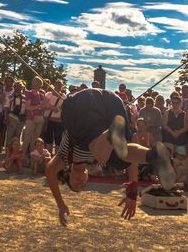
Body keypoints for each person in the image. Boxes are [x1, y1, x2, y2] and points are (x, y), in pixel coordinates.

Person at [44, 88, 175, 226]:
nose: (80, 182)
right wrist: (132, 189)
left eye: (75, 184)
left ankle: (111, 132)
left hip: (79, 106)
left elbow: (50, 171)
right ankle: (153, 155)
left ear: (67, 174)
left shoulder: (66, 157)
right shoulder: (99, 157)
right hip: (112, 102)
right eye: (83, 185)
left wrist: (60, 204)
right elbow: (131, 161)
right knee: (119, 158)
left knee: (101, 156)